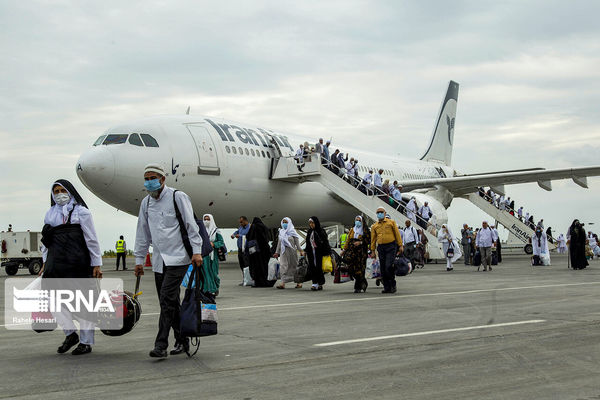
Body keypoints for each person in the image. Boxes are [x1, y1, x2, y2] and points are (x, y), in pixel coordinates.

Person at [134, 163, 203, 358]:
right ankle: (182, 339)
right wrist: (139, 259)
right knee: (169, 302)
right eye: (146, 179)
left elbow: (191, 225)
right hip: (159, 261)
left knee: (166, 299)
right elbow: (142, 232)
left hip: (179, 257)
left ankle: (161, 344)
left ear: (163, 179)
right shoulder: (146, 203)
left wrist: (196, 252)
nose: (149, 182)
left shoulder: (177, 197)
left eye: (152, 178)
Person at [39, 180, 103, 356]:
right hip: (55, 263)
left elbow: (91, 239)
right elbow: (45, 242)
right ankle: (70, 334)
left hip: (78, 263)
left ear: (70, 192)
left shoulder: (82, 212)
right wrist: (45, 262)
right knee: (53, 301)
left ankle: (86, 342)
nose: (60, 194)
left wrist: (96, 263)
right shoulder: (50, 214)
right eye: (56, 191)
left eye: (62, 190)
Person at [370, 207, 403, 294]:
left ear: (385, 213)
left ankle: (393, 285)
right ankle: (386, 287)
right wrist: (372, 251)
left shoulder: (391, 222)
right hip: (381, 248)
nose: (379, 213)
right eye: (378, 212)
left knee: (388, 266)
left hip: (391, 246)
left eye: (381, 212)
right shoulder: (375, 226)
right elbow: (373, 239)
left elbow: (397, 235)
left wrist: (400, 245)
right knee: (383, 268)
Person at [342, 216, 371, 293]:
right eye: (356, 220)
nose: (357, 222)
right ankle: (363, 281)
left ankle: (358, 287)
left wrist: (360, 242)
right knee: (351, 268)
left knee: (360, 269)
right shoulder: (352, 230)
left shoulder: (365, 230)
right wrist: (344, 250)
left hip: (361, 253)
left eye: (359, 220)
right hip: (352, 252)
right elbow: (348, 240)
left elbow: (368, 240)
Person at [273, 217, 304, 289]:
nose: (284, 224)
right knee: (283, 266)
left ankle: (299, 283)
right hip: (283, 253)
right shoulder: (281, 232)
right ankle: (282, 283)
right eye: (283, 222)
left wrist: (301, 251)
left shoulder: (293, 233)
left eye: (286, 222)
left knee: (294, 267)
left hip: (292, 253)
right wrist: (277, 252)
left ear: (289, 223)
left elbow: (298, 245)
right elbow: (279, 243)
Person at [304, 216, 331, 291]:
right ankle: (314, 283)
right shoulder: (309, 231)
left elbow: (325, 242)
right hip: (311, 253)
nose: (311, 224)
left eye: (312, 223)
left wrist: (327, 252)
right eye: (310, 223)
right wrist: (305, 251)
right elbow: (308, 242)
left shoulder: (321, 231)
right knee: (312, 267)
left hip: (319, 253)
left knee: (319, 268)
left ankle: (320, 283)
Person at [246, 217, 275, 287]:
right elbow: (266, 238)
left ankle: (259, 282)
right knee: (265, 268)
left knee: (257, 267)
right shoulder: (264, 227)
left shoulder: (254, 227)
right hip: (265, 251)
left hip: (256, 252)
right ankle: (267, 282)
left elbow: (249, 236)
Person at [201, 214, 224, 295]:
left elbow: (221, 242)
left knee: (214, 273)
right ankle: (207, 290)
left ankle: (215, 287)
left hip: (213, 255)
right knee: (205, 272)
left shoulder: (216, 231)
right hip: (204, 255)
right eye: (205, 219)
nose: (206, 221)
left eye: (208, 219)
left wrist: (213, 244)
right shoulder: (200, 231)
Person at [232, 216, 251, 285]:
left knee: (247, 265)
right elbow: (237, 231)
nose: (240, 223)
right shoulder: (240, 228)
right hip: (240, 249)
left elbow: (249, 236)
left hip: (247, 249)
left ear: (246, 221)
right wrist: (233, 234)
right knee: (242, 265)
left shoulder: (250, 228)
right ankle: (245, 280)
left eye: (241, 222)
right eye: (239, 222)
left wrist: (239, 236)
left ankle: (250, 279)